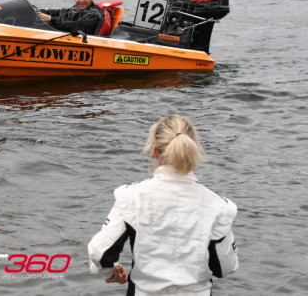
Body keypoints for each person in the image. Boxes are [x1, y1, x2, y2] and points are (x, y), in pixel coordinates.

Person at [88, 114, 238, 296]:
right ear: (192, 151)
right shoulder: (217, 205)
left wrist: (109, 272)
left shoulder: (132, 196)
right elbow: (225, 268)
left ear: (156, 152)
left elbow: (99, 253)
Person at [36, 0, 112, 36]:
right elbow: (62, 12)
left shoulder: (94, 14)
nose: (81, 1)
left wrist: (50, 19)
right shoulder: (76, 8)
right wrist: (41, 12)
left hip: (83, 45)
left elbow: (76, 26)